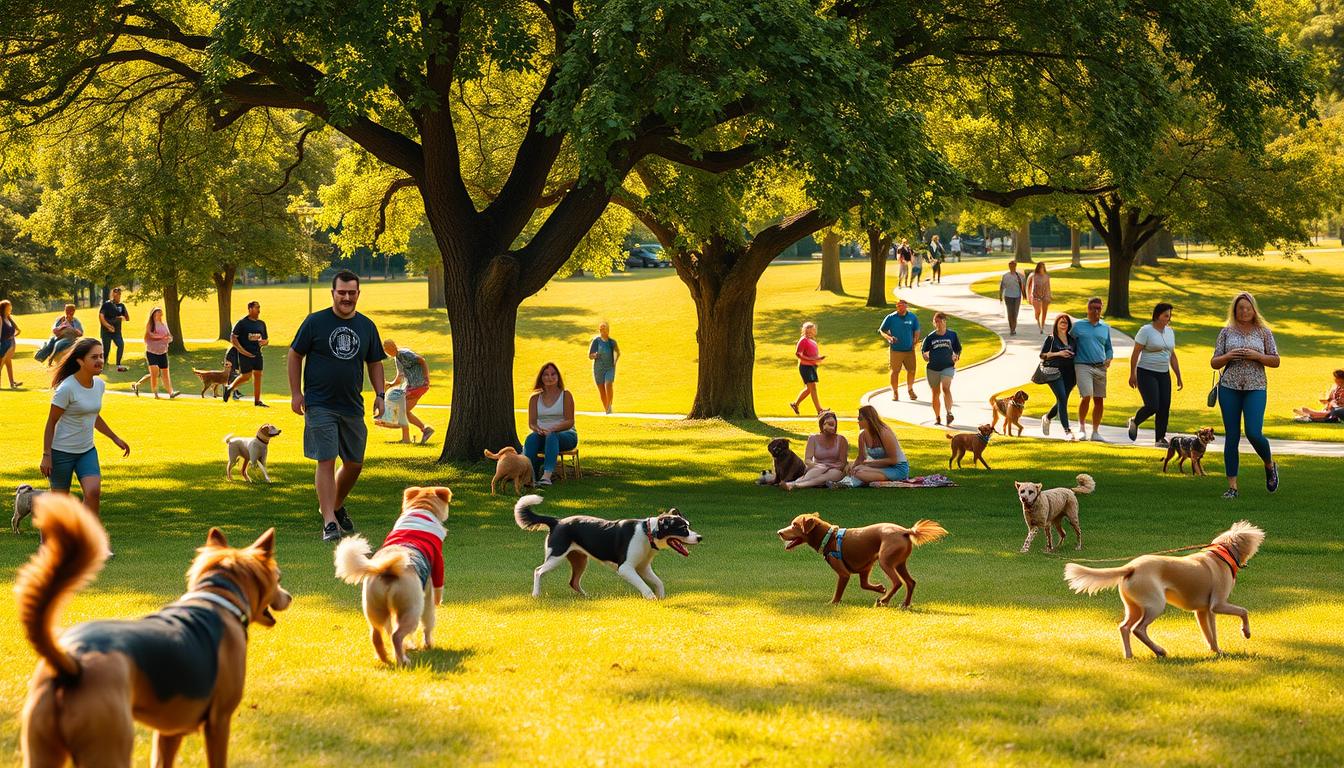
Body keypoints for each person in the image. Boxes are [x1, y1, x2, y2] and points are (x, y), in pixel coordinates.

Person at [288, 270, 387, 541]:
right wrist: (296, 393)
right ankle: (329, 522)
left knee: (354, 463)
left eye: (351, 293)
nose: (346, 297)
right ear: (332, 293)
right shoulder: (315, 322)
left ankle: (335, 505)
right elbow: (295, 355)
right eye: (341, 292)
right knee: (326, 459)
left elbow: (375, 362)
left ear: (358, 294)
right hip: (319, 403)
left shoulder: (366, 326)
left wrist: (380, 394)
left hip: (352, 405)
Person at [40, 338, 130, 554]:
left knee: (93, 492)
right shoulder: (66, 388)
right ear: (80, 361)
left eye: (101, 356)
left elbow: (93, 415)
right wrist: (46, 455)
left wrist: (114, 438)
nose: (100, 360)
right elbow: (51, 422)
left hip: (86, 451)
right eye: (94, 357)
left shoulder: (99, 385)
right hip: (61, 452)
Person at [1211, 291, 1279, 500]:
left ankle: (1269, 465)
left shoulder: (1264, 332)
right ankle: (1232, 487)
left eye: (1248, 308)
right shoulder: (1226, 332)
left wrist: (1257, 356)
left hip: (1255, 387)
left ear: (1253, 310)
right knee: (1231, 436)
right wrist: (1228, 356)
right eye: (1240, 308)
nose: (1244, 311)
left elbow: (1275, 360)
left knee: (1253, 432)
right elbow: (1214, 362)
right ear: (1235, 310)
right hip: (1229, 387)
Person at [1127, 302, 1183, 446]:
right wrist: (1132, 374)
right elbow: (1135, 353)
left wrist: (1178, 375)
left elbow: (1172, 355)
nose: (1168, 319)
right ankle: (1135, 421)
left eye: (1169, 316)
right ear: (1157, 315)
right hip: (1146, 372)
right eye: (1166, 316)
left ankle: (1160, 439)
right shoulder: (1146, 330)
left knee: (1164, 407)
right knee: (1153, 405)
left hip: (1164, 373)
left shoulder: (1169, 332)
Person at [523, 362, 577, 487]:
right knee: (531, 438)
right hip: (542, 434)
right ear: (541, 378)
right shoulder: (534, 398)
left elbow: (570, 421)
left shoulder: (565, 395)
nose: (550, 377)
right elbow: (532, 423)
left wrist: (552, 429)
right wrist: (537, 429)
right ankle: (530, 476)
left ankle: (546, 477)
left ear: (558, 377)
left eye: (553, 374)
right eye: (546, 375)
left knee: (552, 436)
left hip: (566, 435)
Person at [1070, 297, 1114, 441]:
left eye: (1098, 308)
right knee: (1086, 395)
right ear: (1088, 309)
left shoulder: (1105, 327)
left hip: (1100, 366)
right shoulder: (1077, 326)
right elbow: (1067, 342)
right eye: (1093, 308)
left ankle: (1095, 432)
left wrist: (1109, 358)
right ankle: (1081, 428)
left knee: (1099, 399)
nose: (1096, 311)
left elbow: (1108, 347)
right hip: (1082, 365)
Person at [836, 404, 909, 486]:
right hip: (880, 467)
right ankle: (849, 481)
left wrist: (869, 464)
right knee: (857, 470)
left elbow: (894, 460)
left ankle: (848, 483)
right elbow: (861, 458)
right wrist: (852, 468)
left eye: (860, 419)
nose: (858, 421)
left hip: (897, 468)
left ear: (869, 420)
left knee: (860, 473)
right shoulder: (862, 435)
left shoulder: (884, 433)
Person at [383, 338, 433, 444]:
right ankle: (425, 430)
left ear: (393, 346)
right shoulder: (397, 359)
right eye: (386, 350)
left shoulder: (404, 353)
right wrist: (391, 384)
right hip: (412, 387)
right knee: (404, 411)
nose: (388, 352)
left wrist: (426, 377)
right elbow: (400, 376)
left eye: (388, 349)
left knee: (402, 411)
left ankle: (407, 438)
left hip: (419, 385)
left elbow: (421, 360)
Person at [783, 411, 849, 490]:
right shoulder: (813, 438)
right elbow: (807, 460)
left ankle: (796, 485)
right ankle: (793, 484)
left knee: (824, 477)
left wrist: (828, 466)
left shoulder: (841, 439)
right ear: (821, 425)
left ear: (835, 425)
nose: (828, 426)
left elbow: (842, 463)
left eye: (831, 424)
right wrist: (817, 465)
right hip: (817, 467)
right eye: (825, 424)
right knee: (818, 470)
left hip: (835, 469)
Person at [1039, 313, 1078, 441]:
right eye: (1061, 322)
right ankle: (1067, 431)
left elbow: (1076, 353)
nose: (1064, 325)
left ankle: (1047, 417)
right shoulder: (1051, 339)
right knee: (1062, 398)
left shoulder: (1072, 340)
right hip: (1054, 372)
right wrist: (1059, 353)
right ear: (1056, 324)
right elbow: (1042, 355)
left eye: (1066, 323)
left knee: (1062, 400)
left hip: (1070, 374)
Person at [224, 301, 269, 406]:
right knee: (246, 376)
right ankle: (230, 387)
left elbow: (266, 339)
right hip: (244, 355)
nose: (259, 310)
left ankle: (257, 401)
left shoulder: (261, 324)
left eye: (259, 307)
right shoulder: (242, 323)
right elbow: (233, 338)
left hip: (257, 354)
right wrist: (241, 350)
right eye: (256, 308)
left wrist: (264, 342)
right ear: (250, 309)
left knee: (258, 375)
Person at [921, 311, 961, 425]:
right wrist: (925, 355)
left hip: (948, 366)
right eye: (936, 322)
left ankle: (949, 413)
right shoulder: (930, 337)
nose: (938, 324)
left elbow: (958, 349)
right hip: (932, 368)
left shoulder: (952, 335)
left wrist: (956, 355)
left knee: (946, 388)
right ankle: (937, 417)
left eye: (940, 321)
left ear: (944, 321)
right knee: (935, 393)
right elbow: (924, 350)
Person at [130, 307, 179, 399]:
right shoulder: (150, 325)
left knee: (164, 373)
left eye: (160, 312)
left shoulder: (164, 324)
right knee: (155, 372)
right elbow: (150, 335)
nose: (159, 314)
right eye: (157, 313)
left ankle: (171, 393)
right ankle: (156, 394)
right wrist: (162, 337)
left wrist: (168, 339)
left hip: (163, 352)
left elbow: (169, 336)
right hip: (151, 352)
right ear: (153, 314)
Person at [879, 299, 921, 401]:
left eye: (901, 305)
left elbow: (917, 330)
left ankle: (910, 390)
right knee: (895, 372)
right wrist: (889, 338)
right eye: (898, 306)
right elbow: (882, 330)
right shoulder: (891, 317)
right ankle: (895, 392)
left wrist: (915, 340)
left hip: (909, 350)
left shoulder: (912, 317)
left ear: (906, 306)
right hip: (896, 350)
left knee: (912, 370)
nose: (899, 308)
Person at [789, 321, 825, 415]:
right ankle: (819, 410)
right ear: (804, 331)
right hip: (805, 367)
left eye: (811, 331)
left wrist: (818, 358)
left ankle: (795, 404)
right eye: (807, 331)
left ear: (814, 331)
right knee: (813, 388)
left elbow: (812, 354)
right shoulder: (803, 340)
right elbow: (798, 354)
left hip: (811, 367)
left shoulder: (812, 341)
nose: (810, 333)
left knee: (809, 389)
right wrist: (811, 359)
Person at [588, 321, 620, 414]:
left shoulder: (612, 342)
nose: (602, 330)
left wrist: (614, 361)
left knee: (608, 383)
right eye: (601, 329)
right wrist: (595, 355)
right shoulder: (596, 341)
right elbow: (590, 355)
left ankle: (609, 405)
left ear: (608, 330)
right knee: (602, 390)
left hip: (609, 367)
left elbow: (618, 352)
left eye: (604, 328)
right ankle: (607, 409)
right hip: (598, 369)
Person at [98, 287, 131, 372]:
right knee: (106, 349)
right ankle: (104, 363)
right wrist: (108, 326)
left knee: (121, 345)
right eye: (115, 293)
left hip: (117, 331)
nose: (117, 295)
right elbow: (101, 317)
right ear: (112, 294)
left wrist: (121, 317)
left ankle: (118, 364)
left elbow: (127, 318)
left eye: (119, 293)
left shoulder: (121, 306)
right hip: (106, 331)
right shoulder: (107, 304)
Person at [997, 260, 1027, 336]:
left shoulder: (1020, 276)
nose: (1011, 267)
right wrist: (1000, 296)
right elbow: (1002, 286)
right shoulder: (1005, 276)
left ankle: (1013, 328)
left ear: (1015, 266)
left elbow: (1023, 287)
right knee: (1010, 313)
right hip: (1008, 296)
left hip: (1017, 297)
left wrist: (1024, 295)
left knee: (1015, 313)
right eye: (1010, 266)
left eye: (1013, 266)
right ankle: (1012, 329)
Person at [1026, 262, 1052, 334]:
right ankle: (1038, 320)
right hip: (1035, 296)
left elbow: (1048, 286)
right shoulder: (1033, 275)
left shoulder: (1046, 276)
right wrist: (1028, 297)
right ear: (1038, 268)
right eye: (1040, 267)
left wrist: (1050, 296)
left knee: (1044, 312)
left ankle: (1042, 327)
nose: (1042, 269)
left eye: (1043, 267)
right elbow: (1028, 286)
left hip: (1045, 296)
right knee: (1038, 312)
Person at [1, 299, 21, 388]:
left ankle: (12, 383)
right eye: (8, 307)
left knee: (9, 364)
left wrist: (12, 337)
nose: (10, 308)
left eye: (10, 306)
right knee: (1, 364)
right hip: (4, 344)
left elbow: (18, 330)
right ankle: (12, 383)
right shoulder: (1, 318)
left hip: (11, 344)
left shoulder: (9, 318)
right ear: (3, 308)